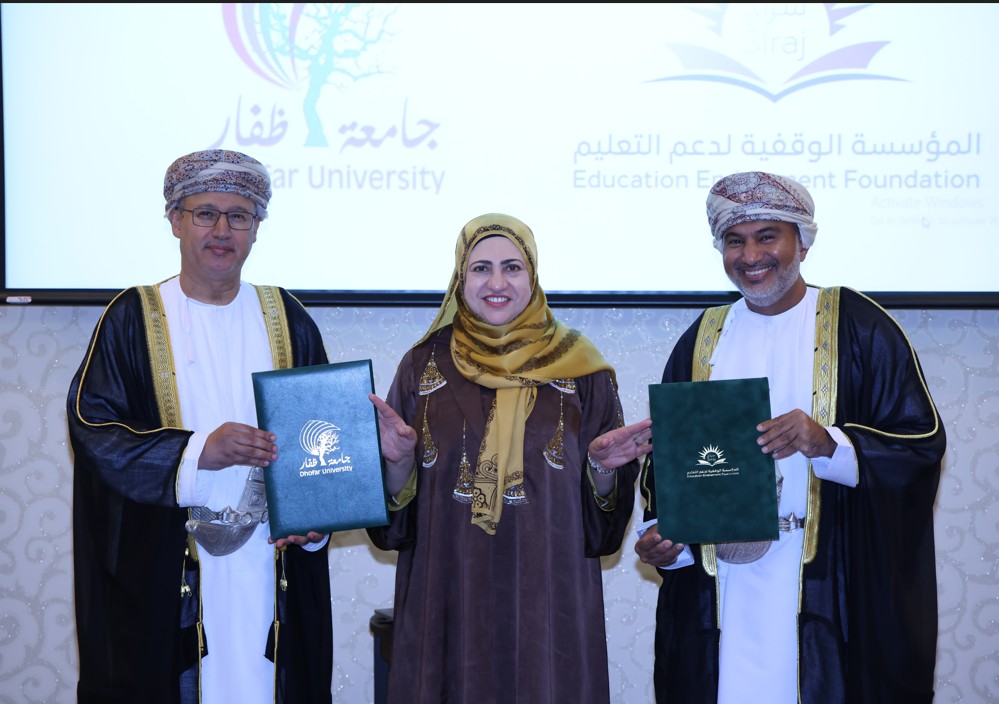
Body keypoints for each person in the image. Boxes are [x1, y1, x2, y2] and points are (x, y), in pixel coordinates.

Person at [634, 171, 946, 703]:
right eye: (735, 240)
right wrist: (666, 541)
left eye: (767, 235)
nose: (750, 254)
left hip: (827, 584)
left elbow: (919, 447)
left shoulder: (861, 327)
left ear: (802, 241)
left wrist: (829, 444)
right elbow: (670, 468)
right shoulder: (702, 338)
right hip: (724, 590)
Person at [67, 149, 333, 704]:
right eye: (205, 212)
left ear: (257, 228)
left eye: (240, 216)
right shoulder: (132, 318)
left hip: (269, 569)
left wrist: (317, 521)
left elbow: (323, 440)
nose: (222, 230)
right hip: (165, 582)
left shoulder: (288, 318)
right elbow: (94, 429)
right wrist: (197, 454)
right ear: (174, 220)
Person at [366, 213, 652, 704]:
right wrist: (394, 463)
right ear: (460, 278)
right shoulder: (422, 364)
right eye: (480, 269)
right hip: (447, 594)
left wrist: (604, 469)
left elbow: (602, 529)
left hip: (550, 594)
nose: (496, 283)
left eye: (512, 268)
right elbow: (394, 523)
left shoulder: (583, 368)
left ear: (533, 275)